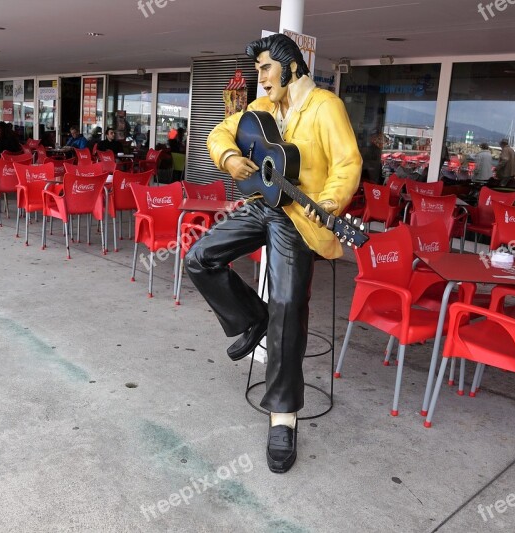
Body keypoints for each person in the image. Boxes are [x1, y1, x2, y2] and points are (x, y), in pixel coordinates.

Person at [185, 33, 361, 474]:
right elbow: (222, 132)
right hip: (262, 205)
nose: (261, 79)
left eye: (266, 69)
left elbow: (348, 163)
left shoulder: (325, 106)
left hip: (300, 217)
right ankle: (252, 318)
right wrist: (228, 158)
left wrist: (332, 204)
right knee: (199, 257)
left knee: (288, 303)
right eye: (260, 70)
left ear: (291, 67)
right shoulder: (263, 110)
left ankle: (283, 416)